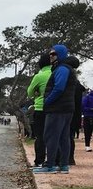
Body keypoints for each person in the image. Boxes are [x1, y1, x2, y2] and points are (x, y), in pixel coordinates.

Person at [33, 44, 77, 174]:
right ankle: (63, 165)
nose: (50, 56)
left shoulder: (62, 69)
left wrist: (47, 101)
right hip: (66, 108)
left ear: (60, 55)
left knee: (50, 136)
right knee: (64, 137)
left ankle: (50, 165)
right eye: (50, 54)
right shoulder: (65, 68)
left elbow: (59, 88)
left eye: (53, 54)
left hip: (58, 108)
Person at [26, 53, 52, 167]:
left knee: (40, 136)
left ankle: (39, 161)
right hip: (54, 109)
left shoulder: (39, 76)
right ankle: (53, 160)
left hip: (40, 107)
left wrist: (36, 93)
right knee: (54, 135)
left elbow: (30, 92)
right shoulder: (56, 73)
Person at [63, 56, 85, 165]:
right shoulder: (77, 83)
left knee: (64, 136)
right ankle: (70, 158)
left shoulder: (68, 81)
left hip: (67, 112)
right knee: (70, 136)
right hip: (76, 113)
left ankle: (65, 158)